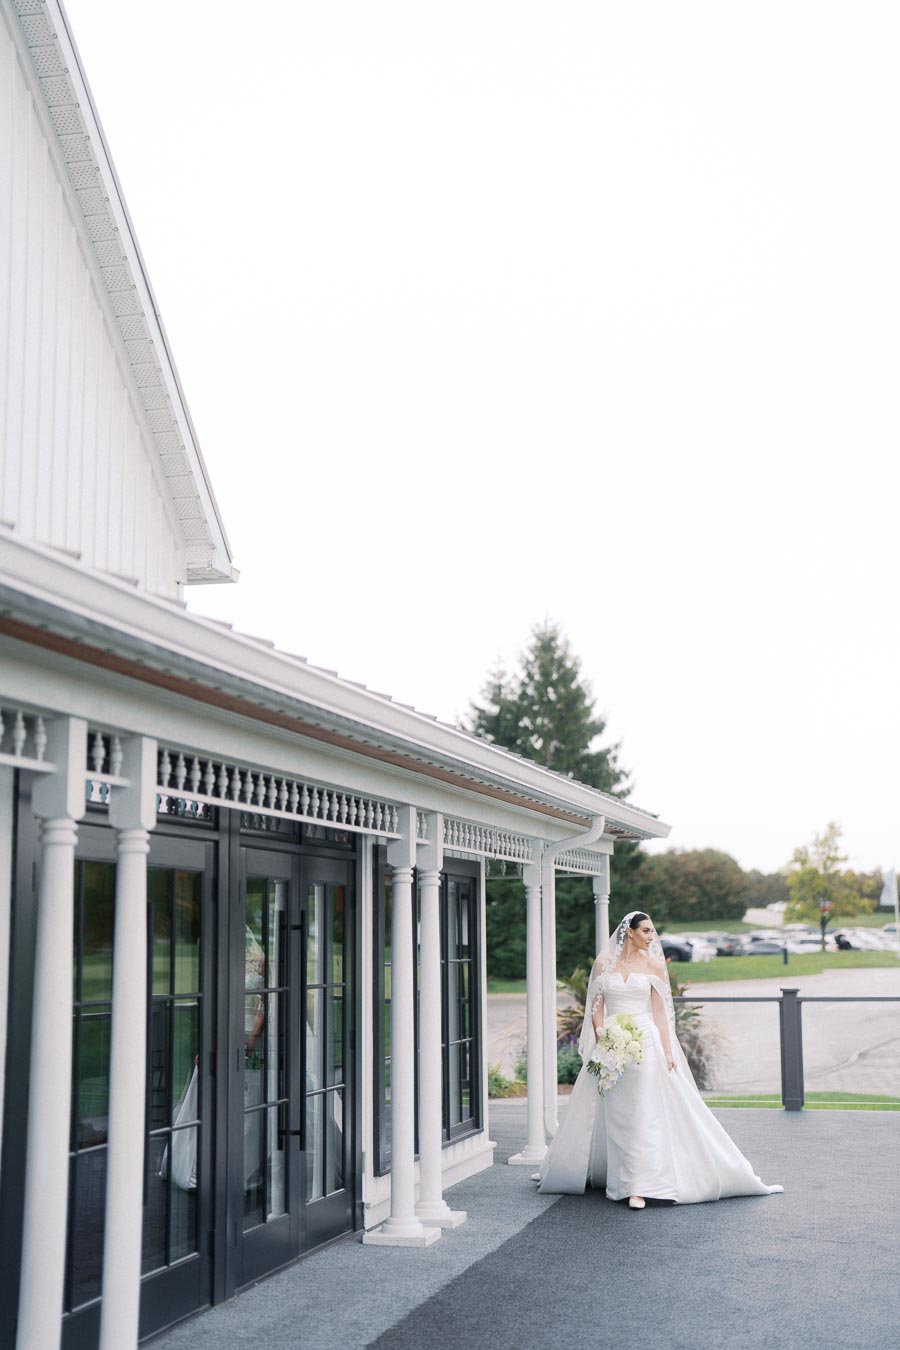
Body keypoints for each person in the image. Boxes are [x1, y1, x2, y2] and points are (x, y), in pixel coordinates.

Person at [538, 911, 783, 1208]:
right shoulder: (604, 964)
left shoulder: (654, 965)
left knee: (642, 1112)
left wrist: (668, 1050)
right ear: (630, 932)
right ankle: (614, 1175)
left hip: (645, 1045)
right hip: (611, 1046)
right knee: (615, 1112)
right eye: (646, 931)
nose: (651, 937)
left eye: (652, 932)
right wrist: (604, 1037)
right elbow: (596, 1008)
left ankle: (638, 1186)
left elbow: (660, 1014)